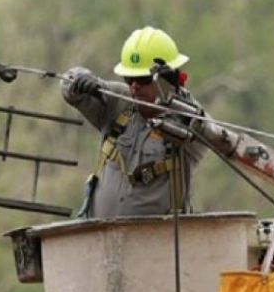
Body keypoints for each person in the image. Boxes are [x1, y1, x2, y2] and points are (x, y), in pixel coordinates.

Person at [61, 26, 208, 218]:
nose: (135, 87)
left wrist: (175, 95)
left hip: (156, 243)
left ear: (166, 78)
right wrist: (79, 80)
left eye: (143, 79)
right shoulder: (118, 103)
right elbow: (68, 88)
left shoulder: (188, 125)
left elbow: (211, 134)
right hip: (100, 238)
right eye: (129, 79)